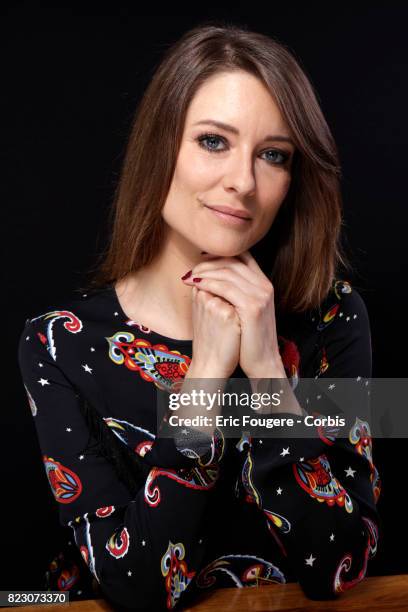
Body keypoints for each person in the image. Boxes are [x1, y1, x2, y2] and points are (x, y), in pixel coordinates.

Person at [17, 22, 382, 611]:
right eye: (214, 141)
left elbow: (340, 565)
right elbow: (137, 588)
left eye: (273, 155)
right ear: (160, 146)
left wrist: (266, 372)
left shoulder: (333, 320)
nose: (242, 182)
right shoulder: (62, 342)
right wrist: (205, 379)